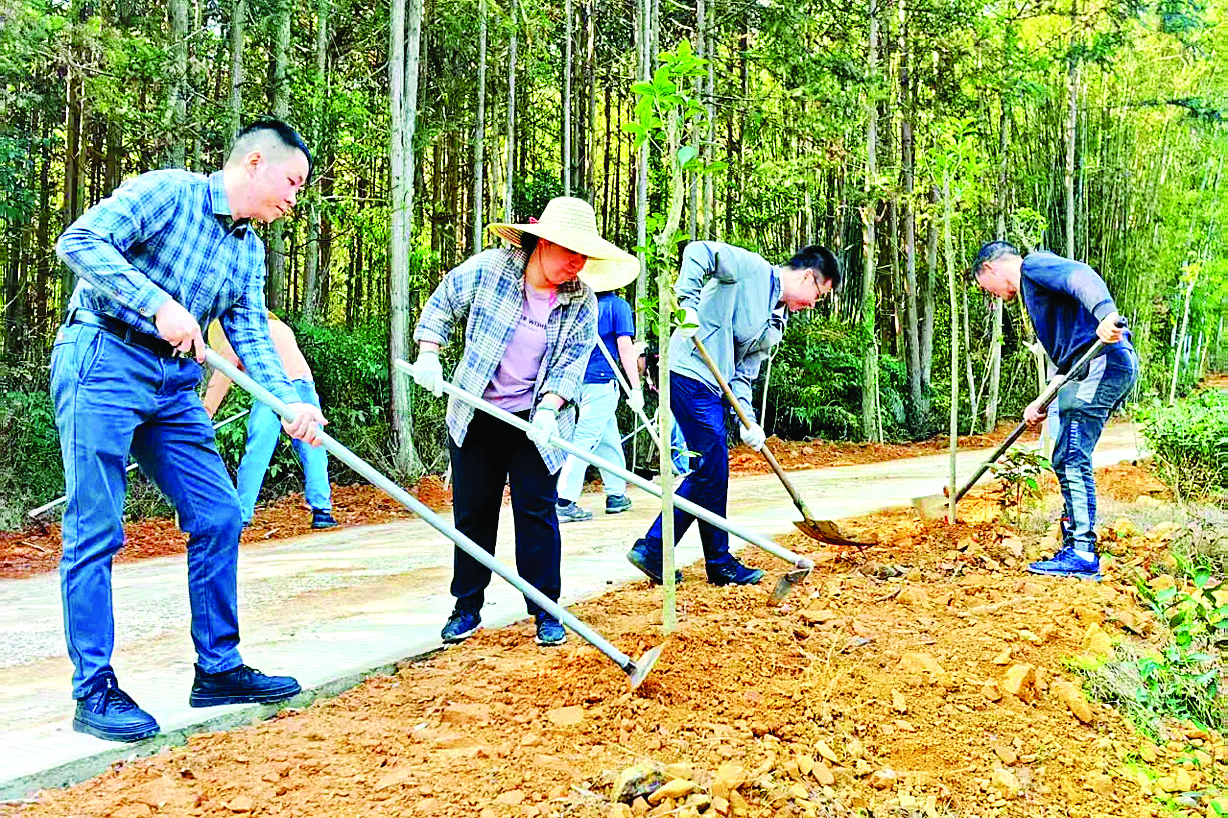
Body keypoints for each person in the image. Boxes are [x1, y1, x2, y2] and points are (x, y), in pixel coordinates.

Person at [51, 119, 325, 743]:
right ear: (255, 163)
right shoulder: (168, 193)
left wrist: (287, 402)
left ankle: (219, 668)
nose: (293, 197)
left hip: (173, 384)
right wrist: (158, 304)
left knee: (219, 513)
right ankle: (94, 690)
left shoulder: (248, 248)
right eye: (290, 182)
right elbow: (80, 242)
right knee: (97, 527)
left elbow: (252, 335)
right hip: (104, 356)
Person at [411, 197, 637, 647]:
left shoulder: (582, 303)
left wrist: (551, 409)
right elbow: (442, 304)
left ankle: (546, 609)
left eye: (582, 255)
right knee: (473, 511)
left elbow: (571, 365)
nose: (576, 263)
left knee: (536, 511)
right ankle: (467, 606)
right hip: (478, 411)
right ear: (542, 243)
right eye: (568, 251)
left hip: (538, 420)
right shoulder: (490, 270)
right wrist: (429, 353)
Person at [626, 241, 840, 587]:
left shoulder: (776, 321)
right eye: (819, 295)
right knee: (710, 469)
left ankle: (706, 561)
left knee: (713, 473)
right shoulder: (750, 268)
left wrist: (748, 420)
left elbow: (743, 374)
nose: (813, 305)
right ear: (807, 277)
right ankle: (671, 552)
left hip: (716, 386)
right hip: (689, 371)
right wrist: (688, 305)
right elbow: (698, 251)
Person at [971, 241, 1136, 580]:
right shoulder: (1035, 293)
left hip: (1102, 362)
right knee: (1069, 455)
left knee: (1070, 457)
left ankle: (1081, 553)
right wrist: (1041, 400)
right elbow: (1069, 358)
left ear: (988, 269)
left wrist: (1106, 314)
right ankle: (1075, 543)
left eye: (984, 288)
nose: (993, 296)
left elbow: (1081, 275)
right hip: (1092, 365)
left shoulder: (1032, 267)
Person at [203, 313, 338, 529]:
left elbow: (223, 373)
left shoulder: (240, 331)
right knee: (313, 446)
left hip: (273, 391)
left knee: (257, 452)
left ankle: (242, 514)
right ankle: (322, 510)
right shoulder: (280, 328)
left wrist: (206, 413)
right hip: (305, 386)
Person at [555, 285, 644, 522]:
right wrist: (636, 387)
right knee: (585, 439)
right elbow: (625, 348)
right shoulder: (618, 306)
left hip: (574, 380)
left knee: (606, 437)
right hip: (602, 381)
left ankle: (616, 494)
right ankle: (564, 500)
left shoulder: (577, 302)